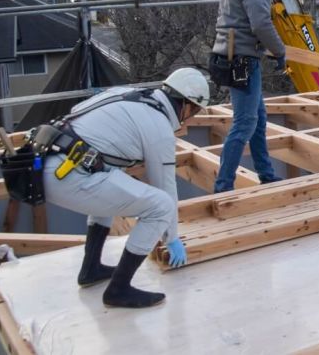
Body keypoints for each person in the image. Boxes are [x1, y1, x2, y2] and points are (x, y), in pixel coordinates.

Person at [41, 67, 210, 308]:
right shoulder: (159, 126)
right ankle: (119, 290)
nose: (190, 118)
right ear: (186, 105)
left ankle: (91, 269)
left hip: (52, 162)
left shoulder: (130, 96)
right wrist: (171, 238)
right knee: (161, 206)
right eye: (194, 111)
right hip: (66, 174)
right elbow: (165, 186)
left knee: (110, 181)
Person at [211, 0, 287, 193]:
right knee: (244, 124)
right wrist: (280, 51)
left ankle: (266, 174)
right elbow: (261, 24)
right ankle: (223, 187)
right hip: (243, 59)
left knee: (257, 119)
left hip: (230, 55)